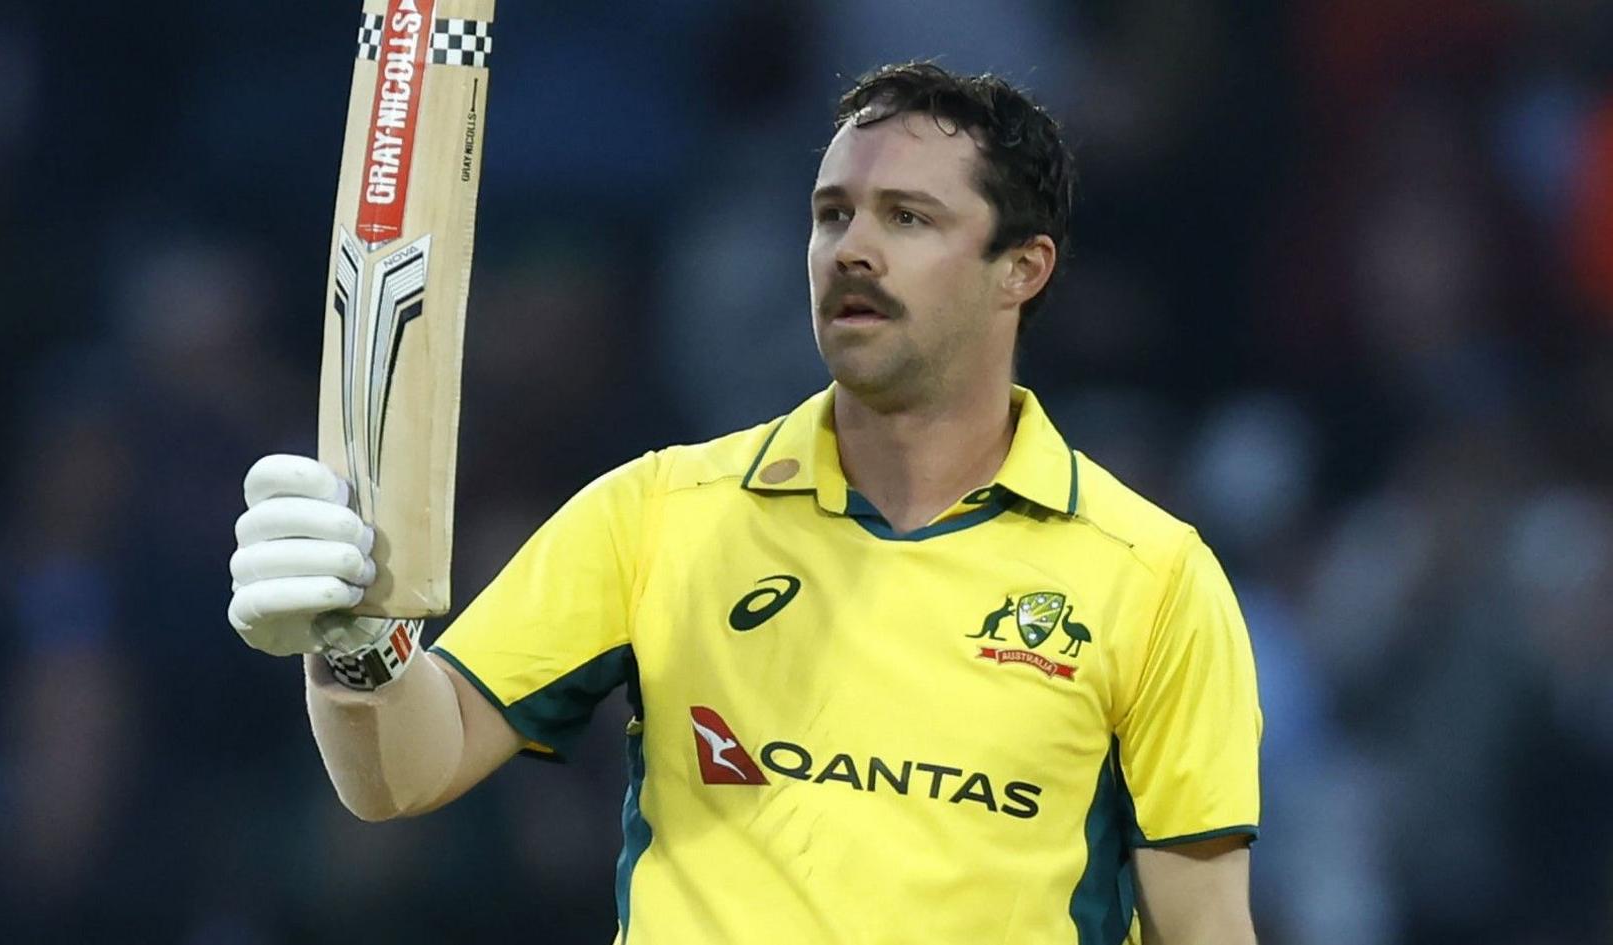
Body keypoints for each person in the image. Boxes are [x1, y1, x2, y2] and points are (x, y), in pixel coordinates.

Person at [227, 62, 1262, 945]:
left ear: (1020, 270)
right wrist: (358, 645)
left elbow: (1206, 926)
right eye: (832, 215)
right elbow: (402, 774)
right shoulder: (662, 514)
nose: (852, 248)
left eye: (908, 218)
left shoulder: (1151, 577)